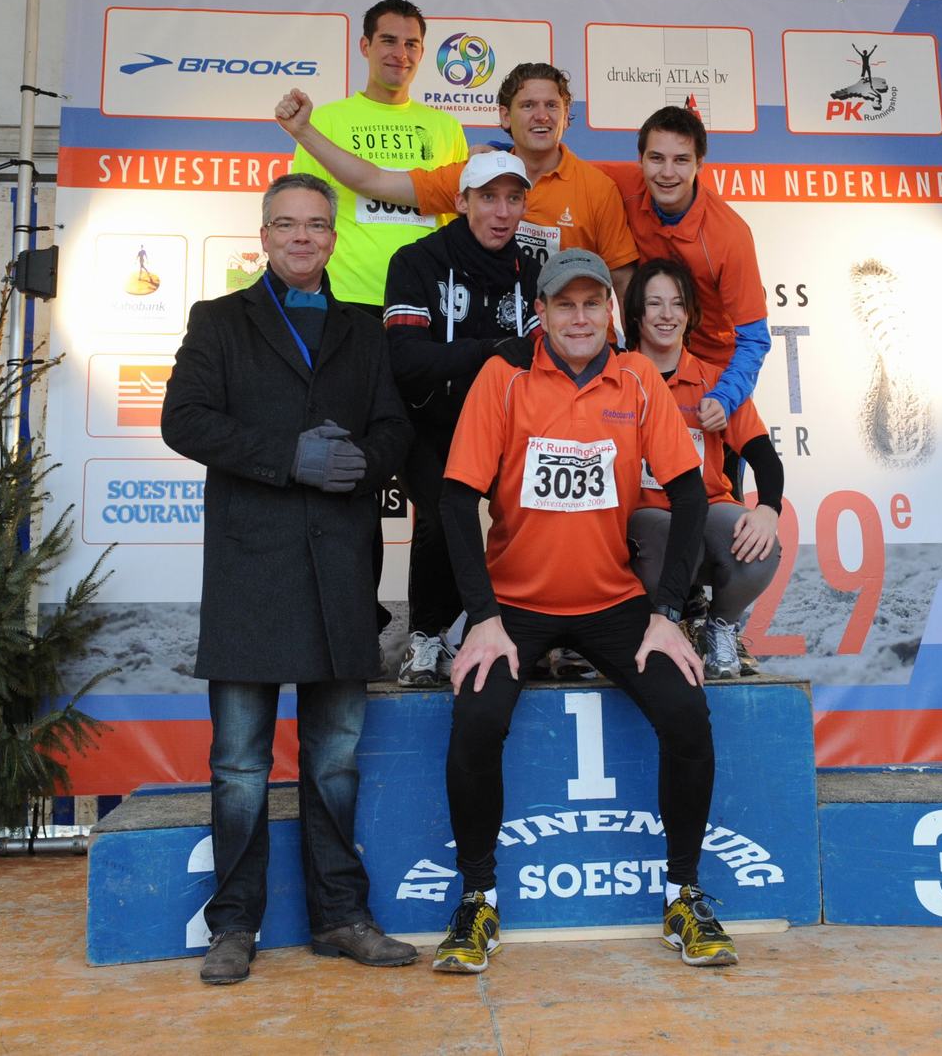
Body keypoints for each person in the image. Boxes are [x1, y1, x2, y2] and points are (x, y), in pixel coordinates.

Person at [431, 249, 739, 973]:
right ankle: (477, 900)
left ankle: (684, 894)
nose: (579, 318)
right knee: (475, 718)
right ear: (540, 312)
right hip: (515, 605)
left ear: (610, 312)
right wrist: (482, 617)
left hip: (612, 601)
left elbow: (689, 494)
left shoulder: (635, 379)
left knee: (687, 711)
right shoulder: (504, 377)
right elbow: (454, 498)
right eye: (564, 304)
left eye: (592, 303)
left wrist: (667, 611)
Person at [160, 173, 417, 986]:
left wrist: (363, 461)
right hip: (251, 574)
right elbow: (183, 419)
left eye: (315, 224)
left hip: (340, 573)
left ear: (334, 237)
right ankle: (233, 926)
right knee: (239, 764)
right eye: (286, 224)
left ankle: (341, 916)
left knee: (334, 760)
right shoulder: (218, 320)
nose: (302, 237)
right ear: (264, 236)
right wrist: (288, 457)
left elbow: (396, 427)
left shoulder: (364, 329)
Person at [274, 62, 638, 296]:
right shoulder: (473, 175)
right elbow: (375, 181)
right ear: (505, 116)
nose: (541, 116)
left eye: (552, 106)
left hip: (573, 345)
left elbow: (622, 281)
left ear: (566, 114)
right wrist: (304, 131)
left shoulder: (597, 188)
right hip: (494, 337)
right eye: (528, 105)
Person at [383, 149, 541, 686]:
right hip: (428, 421)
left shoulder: (532, 271)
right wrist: (491, 350)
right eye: (488, 198)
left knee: (548, 509)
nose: (502, 212)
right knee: (441, 514)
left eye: (513, 199)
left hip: (506, 426)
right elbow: (406, 360)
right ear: (461, 202)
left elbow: (544, 357)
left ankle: (535, 630)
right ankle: (426, 638)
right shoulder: (416, 261)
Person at [623, 258, 784, 679]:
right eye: (654, 303)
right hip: (642, 516)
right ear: (636, 312)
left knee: (760, 544)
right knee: (670, 534)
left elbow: (765, 458)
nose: (667, 315)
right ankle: (668, 621)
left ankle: (720, 626)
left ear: (691, 314)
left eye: (677, 303)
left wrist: (768, 509)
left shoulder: (715, 383)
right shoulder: (616, 378)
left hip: (709, 508)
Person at [289, 0, 470, 316]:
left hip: (427, 295)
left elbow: (462, 220)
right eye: (388, 40)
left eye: (411, 44)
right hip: (346, 293)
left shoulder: (447, 127)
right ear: (365, 46)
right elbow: (304, 211)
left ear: (422, 52)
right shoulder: (323, 122)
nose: (400, 54)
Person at [595, 104, 769, 426]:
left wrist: (724, 396)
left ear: (700, 163)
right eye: (656, 158)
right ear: (640, 159)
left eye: (681, 160)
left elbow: (754, 338)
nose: (667, 173)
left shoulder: (730, 236)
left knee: (726, 460)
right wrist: (507, 152)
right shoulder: (622, 184)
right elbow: (563, 170)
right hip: (648, 360)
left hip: (713, 371)